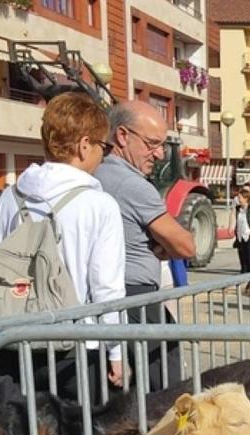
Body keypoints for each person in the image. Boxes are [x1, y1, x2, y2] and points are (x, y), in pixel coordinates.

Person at [0, 92, 126, 398]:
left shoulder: (10, 198)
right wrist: (116, 353)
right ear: (83, 145)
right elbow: (107, 287)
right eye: (103, 147)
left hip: (13, 342)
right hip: (78, 346)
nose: (103, 156)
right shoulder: (99, 205)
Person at [96, 100, 193, 390]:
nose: (160, 154)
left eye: (162, 145)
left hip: (101, 298)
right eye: (152, 144)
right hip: (136, 298)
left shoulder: (94, 175)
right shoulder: (134, 185)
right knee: (163, 388)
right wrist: (161, 246)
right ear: (122, 136)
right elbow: (186, 246)